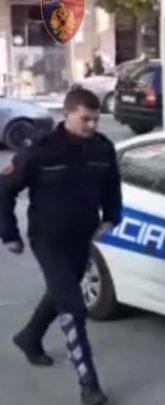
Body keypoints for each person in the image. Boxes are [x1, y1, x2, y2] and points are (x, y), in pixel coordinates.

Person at [0, 88, 121, 405]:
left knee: (60, 293)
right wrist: (9, 233)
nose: (92, 125)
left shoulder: (102, 148)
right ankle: (89, 384)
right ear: (67, 114)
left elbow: (112, 186)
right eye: (85, 119)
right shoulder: (41, 150)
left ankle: (29, 338)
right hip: (48, 239)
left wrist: (111, 217)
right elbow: (4, 190)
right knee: (73, 307)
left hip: (82, 237)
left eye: (96, 120)